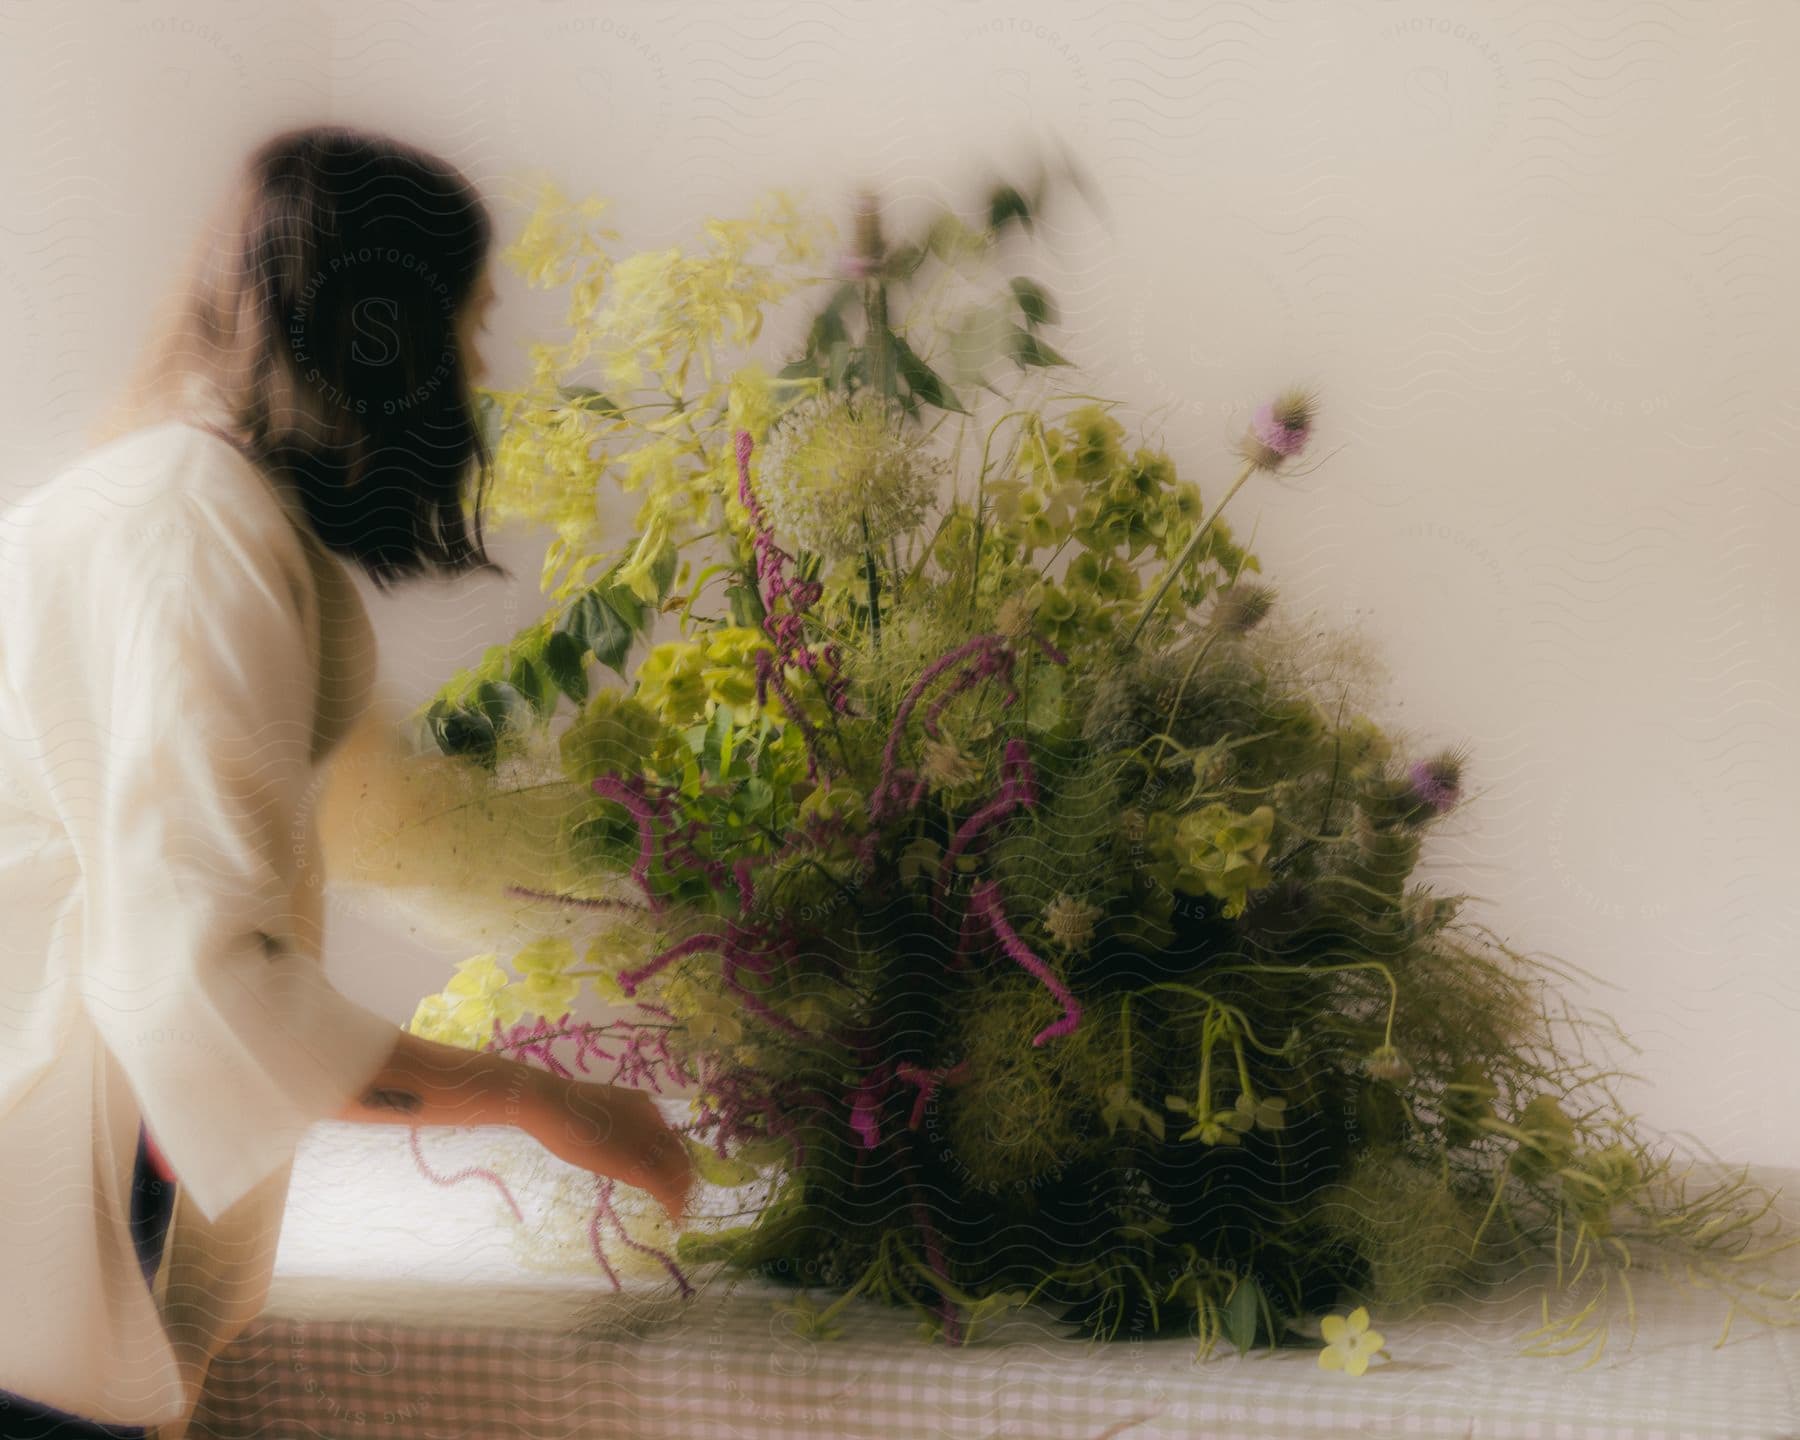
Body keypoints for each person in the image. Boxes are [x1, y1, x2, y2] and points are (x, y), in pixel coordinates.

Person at [0, 124, 696, 1439]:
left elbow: (387, 826)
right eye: (468, 328)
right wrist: (538, 1097)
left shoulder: (181, 509)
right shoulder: (196, 528)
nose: (479, 371)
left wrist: (673, 893)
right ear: (383, 332)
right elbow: (209, 990)